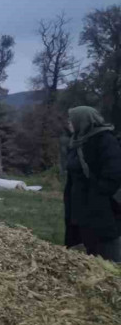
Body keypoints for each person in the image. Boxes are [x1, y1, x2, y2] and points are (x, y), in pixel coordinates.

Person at [64, 106, 121, 262]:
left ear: (82, 120)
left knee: (106, 251)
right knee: (84, 250)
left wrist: (98, 195)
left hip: (101, 207)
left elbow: (114, 172)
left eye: (71, 119)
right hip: (80, 206)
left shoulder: (104, 140)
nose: (69, 123)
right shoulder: (77, 141)